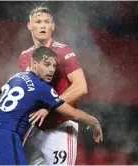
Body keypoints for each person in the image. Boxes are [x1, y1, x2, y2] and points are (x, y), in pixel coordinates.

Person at [0, 46, 102, 165]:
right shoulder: (41, 87)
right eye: (47, 64)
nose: (51, 70)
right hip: (9, 139)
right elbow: (74, 115)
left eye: (53, 66)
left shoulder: (15, 78)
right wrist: (94, 122)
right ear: (35, 64)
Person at [17, 6, 88, 165]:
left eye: (46, 22)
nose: (42, 25)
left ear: (52, 26)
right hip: (35, 128)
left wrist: (49, 107)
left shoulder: (63, 52)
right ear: (30, 26)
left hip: (60, 127)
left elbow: (81, 87)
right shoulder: (24, 57)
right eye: (38, 21)